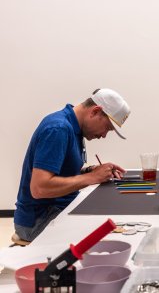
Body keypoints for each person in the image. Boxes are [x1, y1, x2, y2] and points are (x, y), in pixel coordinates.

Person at [14, 88, 129, 242]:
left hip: (56, 209)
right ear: (95, 111)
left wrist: (90, 170)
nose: (103, 135)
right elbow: (39, 188)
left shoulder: (75, 128)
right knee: (109, 237)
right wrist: (92, 177)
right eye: (107, 128)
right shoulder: (58, 129)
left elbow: (60, 172)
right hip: (37, 221)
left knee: (114, 220)